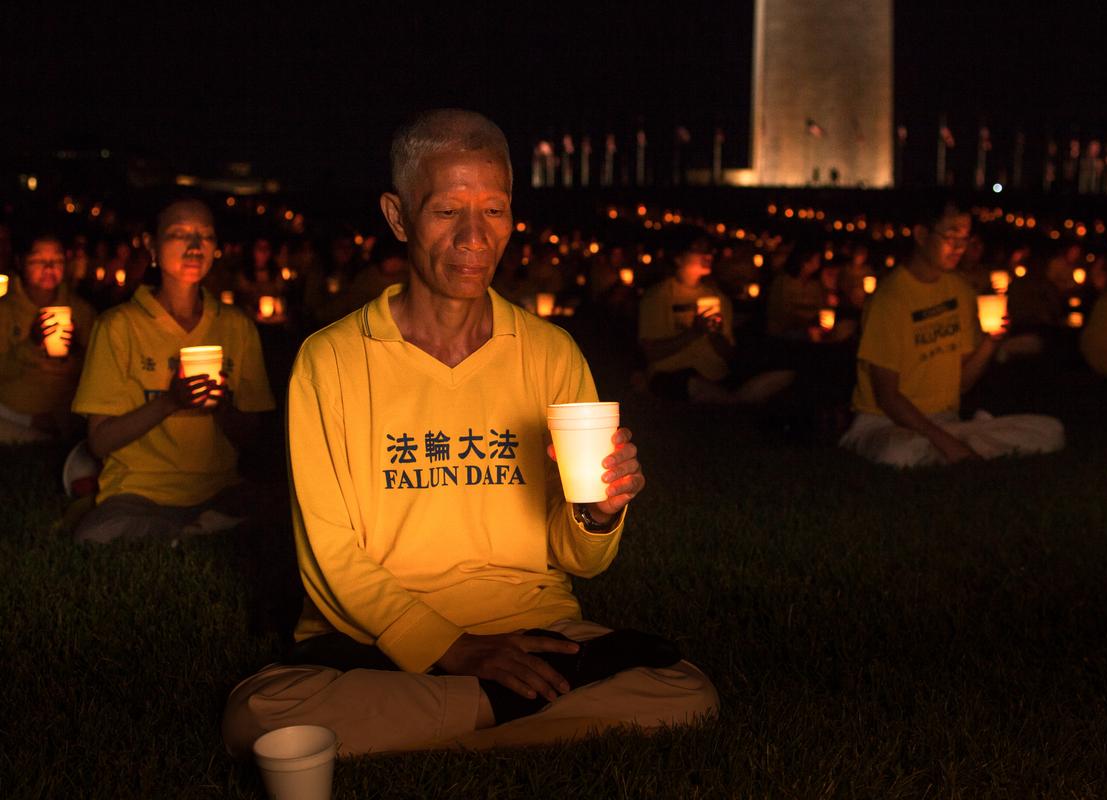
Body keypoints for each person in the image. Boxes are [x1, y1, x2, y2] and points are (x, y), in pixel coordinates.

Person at [221, 110, 717, 758]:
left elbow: (580, 559)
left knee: (685, 692)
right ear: (398, 217)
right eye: (448, 210)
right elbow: (331, 557)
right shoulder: (334, 358)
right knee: (260, 715)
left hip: (532, 624)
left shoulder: (549, 352)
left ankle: (451, 720)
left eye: (494, 210)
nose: (474, 236)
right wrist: (455, 650)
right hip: (378, 641)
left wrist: (596, 514)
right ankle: (516, 712)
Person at [71, 199, 276, 543]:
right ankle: (200, 532)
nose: (195, 247)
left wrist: (221, 407)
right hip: (140, 492)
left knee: (290, 507)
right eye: (179, 234)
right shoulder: (118, 327)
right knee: (96, 532)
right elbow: (99, 442)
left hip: (218, 488)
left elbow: (252, 438)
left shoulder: (237, 327)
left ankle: (187, 533)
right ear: (151, 245)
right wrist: (169, 402)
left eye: (205, 236)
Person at [840, 194, 1064, 467]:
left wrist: (990, 342)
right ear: (922, 234)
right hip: (884, 423)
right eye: (951, 238)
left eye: (965, 240)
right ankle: (953, 448)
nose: (959, 248)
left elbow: (962, 382)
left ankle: (950, 447)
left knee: (1050, 431)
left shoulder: (960, 291)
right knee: (901, 453)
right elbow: (888, 398)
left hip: (944, 420)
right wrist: (948, 443)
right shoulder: (889, 299)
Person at [638, 236, 793, 404]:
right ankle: (735, 402)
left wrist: (715, 335)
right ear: (678, 257)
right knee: (691, 383)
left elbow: (729, 354)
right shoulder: (658, 296)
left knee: (783, 374)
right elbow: (651, 352)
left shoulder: (718, 297)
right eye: (699, 250)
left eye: (710, 250)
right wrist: (695, 332)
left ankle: (730, 400)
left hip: (715, 375)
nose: (708, 256)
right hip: (671, 373)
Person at [0, 233, 96, 443]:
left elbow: (98, 373)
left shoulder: (81, 310)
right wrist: (31, 344)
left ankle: (43, 435)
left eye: (57, 260)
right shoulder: (5, 310)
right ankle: (35, 431)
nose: (49, 268)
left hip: (66, 408)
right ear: (20, 262)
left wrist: (76, 350)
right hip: (15, 408)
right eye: (38, 261)